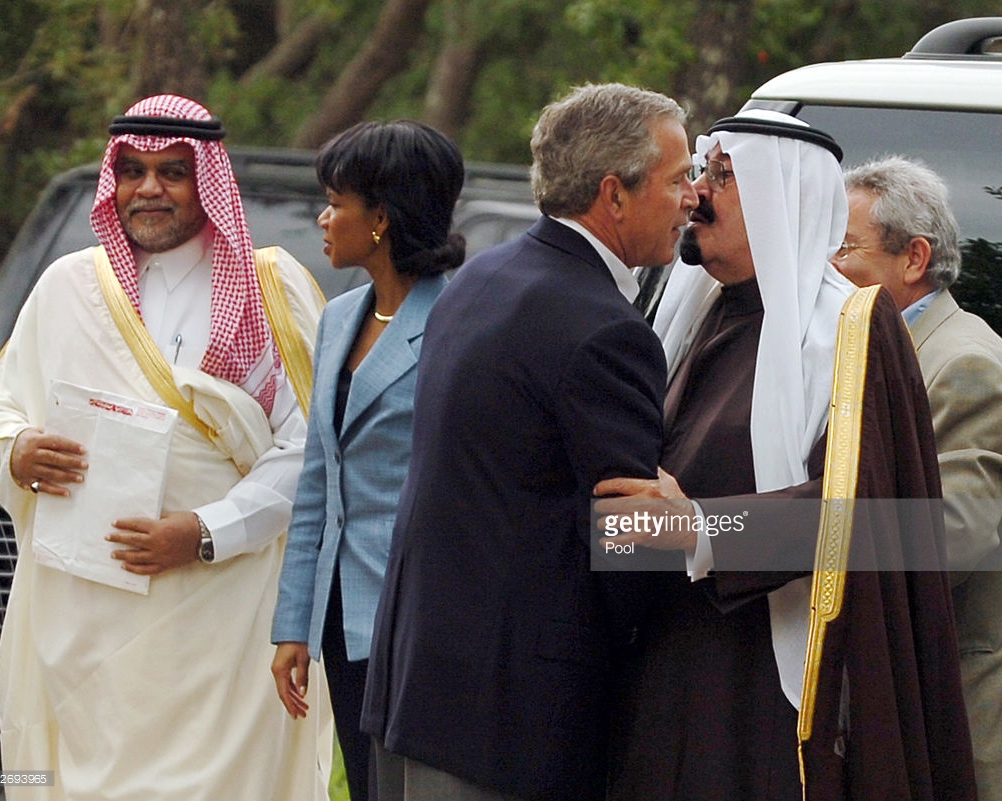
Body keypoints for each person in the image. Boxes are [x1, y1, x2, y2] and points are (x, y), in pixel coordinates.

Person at [596, 111, 976, 800]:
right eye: (699, 173)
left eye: (723, 175)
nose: (696, 194)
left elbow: (867, 518)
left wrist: (704, 528)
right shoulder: (700, 312)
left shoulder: (850, 330)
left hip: (766, 696)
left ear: (785, 194)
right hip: (664, 673)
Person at [0, 95, 328, 801]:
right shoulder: (66, 286)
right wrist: (15, 450)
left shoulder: (271, 289)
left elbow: (307, 447)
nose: (148, 188)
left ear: (209, 179)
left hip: (222, 613)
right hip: (84, 623)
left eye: (173, 171)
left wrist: (203, 532)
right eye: (133, 170)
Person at [360, 82, 697, 801]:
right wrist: (693, 538)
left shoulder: (483, 275)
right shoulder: (606, 328)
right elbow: (629, 538)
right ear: (615, 195)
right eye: (678, 179)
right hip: (509, 726)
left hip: (418, 694)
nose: (692, 198)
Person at [270, 120, 465, 801]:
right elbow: (319, 479)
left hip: (421, 616)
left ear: (380, 218)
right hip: (341, 614)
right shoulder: (340, 315)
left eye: (335, 202)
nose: (322, 218)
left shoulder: (459, 320)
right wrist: (295, 620)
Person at [834, 155, 1002, 800]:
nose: (826, 270)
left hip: (945, 723)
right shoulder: (872, 347)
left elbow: (951, 537)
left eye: (844, 249)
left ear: (914, 258)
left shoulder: (963, 362)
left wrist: (761, 536)